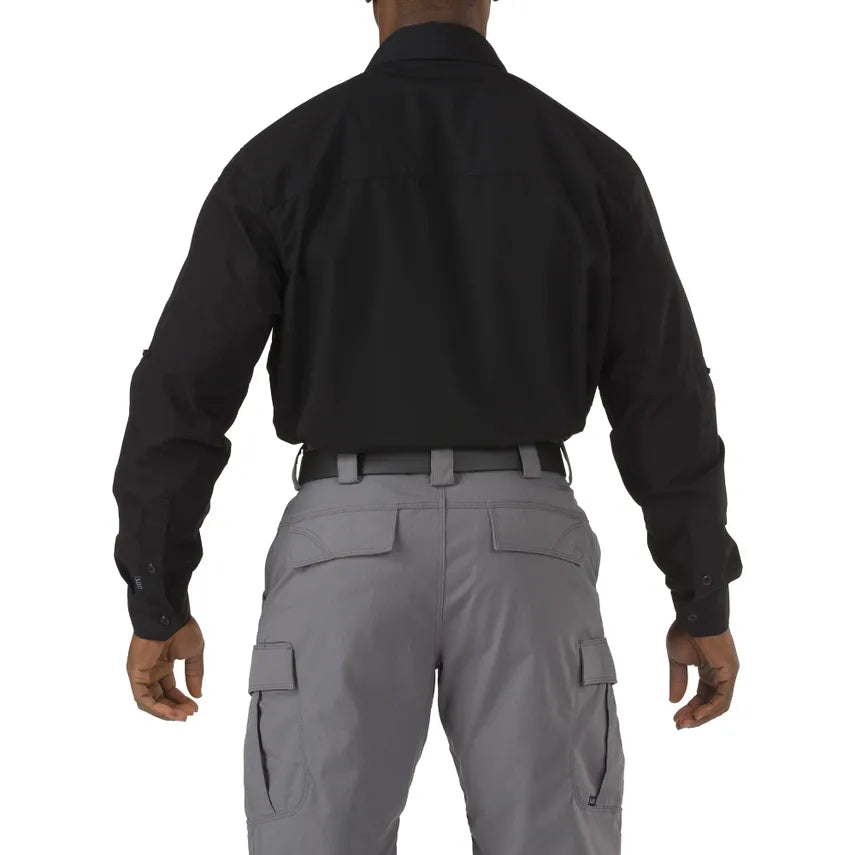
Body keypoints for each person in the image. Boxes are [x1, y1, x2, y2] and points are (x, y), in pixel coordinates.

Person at [112, 1, 742, 853]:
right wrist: (700, 594)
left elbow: (181, 390)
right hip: (529, 544)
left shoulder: (286, 157)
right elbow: (664, 395)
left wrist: (158, 596)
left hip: (341, 544)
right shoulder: (587, 161)